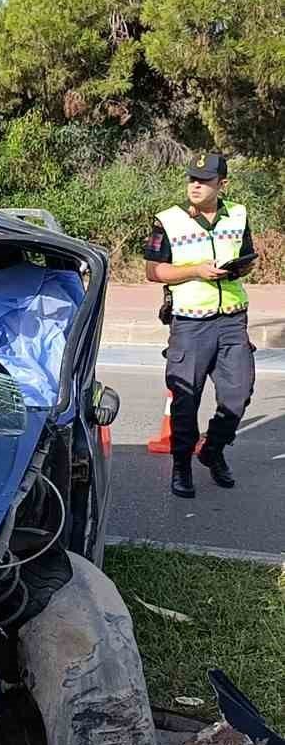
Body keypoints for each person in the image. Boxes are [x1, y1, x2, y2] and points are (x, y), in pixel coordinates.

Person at [144, 152, 255, 499]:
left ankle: (212, 450)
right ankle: (181, 465)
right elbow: (153, 271)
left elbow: (248, 257)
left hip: (233, 319)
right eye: (192, 178)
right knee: (185, 401)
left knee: (238, 394)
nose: (195, 184)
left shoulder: (238, 214)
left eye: (204, 180)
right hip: (190, 323)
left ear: (222, 184)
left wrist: (238, 268)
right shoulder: (168, 220)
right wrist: (195, 271)